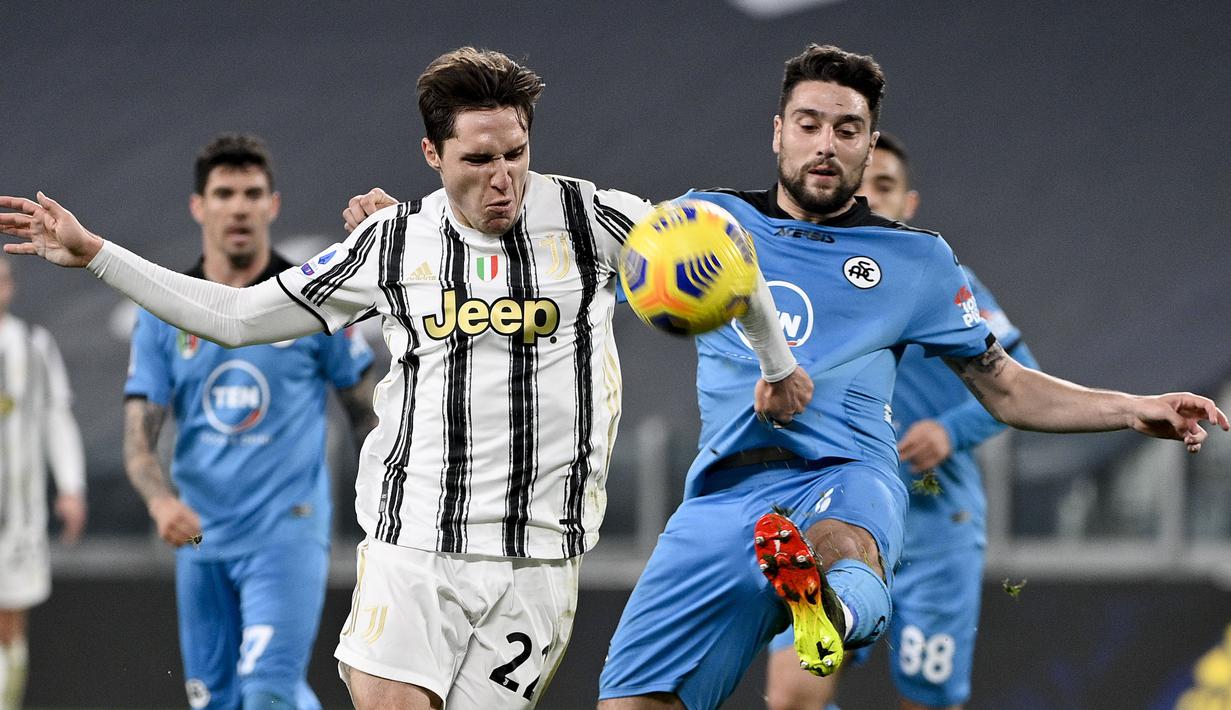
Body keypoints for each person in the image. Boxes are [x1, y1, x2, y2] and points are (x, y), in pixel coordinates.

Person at [331, 46, 1225, 710]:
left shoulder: (915, 262)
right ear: (777, 132)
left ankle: (830, 610)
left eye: (846, 129)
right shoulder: (702, 224)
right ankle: (816, 605)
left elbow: (1006, 386)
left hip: (844, 475)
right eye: (808, 124)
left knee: (848, 551)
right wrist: (404, 226)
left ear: (868, 143)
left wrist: (1133, 407)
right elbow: (523, 222)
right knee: (632, 702)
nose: (825, 145)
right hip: (720, 503)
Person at [0, 48, 803, 710]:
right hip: (411, 543)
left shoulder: (591, 217)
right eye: (478, 159)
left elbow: (723, 256)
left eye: (516, 154)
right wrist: (96, 254)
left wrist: (778, 364)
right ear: (432, 155)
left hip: (536, 560)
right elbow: (239, 316)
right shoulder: (392, 241)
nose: (503, 179)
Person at [763, 133, 1039, 710]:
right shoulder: (804, 278)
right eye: (861, 184)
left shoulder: (937, 281)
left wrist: (949, 431)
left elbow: (1022, 376)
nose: (870, 196)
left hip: (932, 529)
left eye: (884, 186)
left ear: (908, 205)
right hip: (835, 513)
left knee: (924, 701)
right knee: (791, 698)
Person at [120, 134, 378, 710]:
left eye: (251, 193)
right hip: (201, 538)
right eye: (224, 193)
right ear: (199, 206)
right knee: (219, 703)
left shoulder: (316, 303)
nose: (238, 207)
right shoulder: (164, 313)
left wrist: (393, 509)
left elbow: (368, 416)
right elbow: (140, 440)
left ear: (272, 205)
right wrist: (161, 503)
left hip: (287, 533)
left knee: (265, 694)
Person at [0, 253, 87, 710]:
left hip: (17, 515)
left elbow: (57, 418)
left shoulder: (33, 344)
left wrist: (70, 487)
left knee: (9, 620)